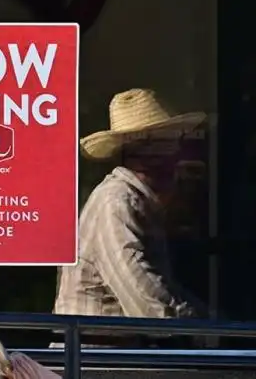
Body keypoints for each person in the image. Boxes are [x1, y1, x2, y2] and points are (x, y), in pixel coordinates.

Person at [52, 88, 209, 348]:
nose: (179, 152)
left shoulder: (136, 202)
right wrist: (204, 329)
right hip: (97, 363)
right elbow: (146, 298)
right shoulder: (116, 203)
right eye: (171, 141)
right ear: (147, 150)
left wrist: (207, 320)